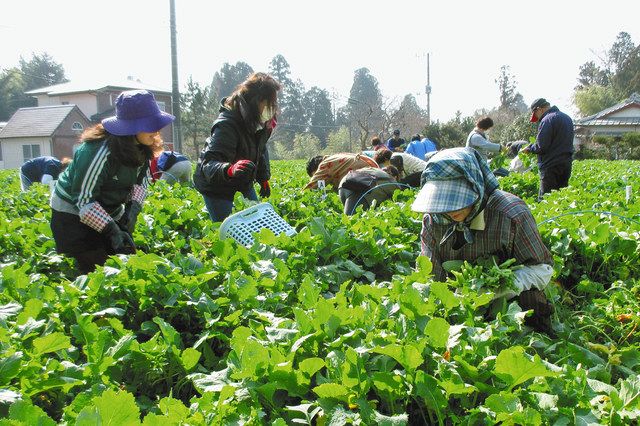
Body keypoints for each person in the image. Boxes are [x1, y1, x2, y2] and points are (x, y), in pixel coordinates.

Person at [412, 147, 555, 333]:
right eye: (443, 201)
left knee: (532, 303)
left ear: (477, 186)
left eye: (459, 199)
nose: (450, 210)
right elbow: (431, 278)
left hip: (507, 303)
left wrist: (499, 288)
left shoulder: (511, 214)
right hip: (459, 303)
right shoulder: (432, 220)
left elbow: (543, 270)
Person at [50, 90, 174, 274]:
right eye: (150, 124)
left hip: (108, 210)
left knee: (122, 261)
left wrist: (131, 212)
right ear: (132, 126)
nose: (156, 130)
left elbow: (141, 183)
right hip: (73, 214)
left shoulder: (142, 146)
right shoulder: (100, 151)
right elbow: (84, 202)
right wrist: (112, 230)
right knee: (95, 269)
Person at [193, 73, 280, 222]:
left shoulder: (259, 124)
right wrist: (229, 169)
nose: (272, 108)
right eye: (268, 103)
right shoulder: (227, 124)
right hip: (217, 187)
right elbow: (209, 164)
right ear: (256, 100)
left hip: (242, 181)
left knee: (256, 221)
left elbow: (259, 152)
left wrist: (263, 178)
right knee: (228, 230)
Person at [521, 98, 574, 200]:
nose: (537, 118)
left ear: (539, 109)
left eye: (535, 114)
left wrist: (530, 148)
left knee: (546, 200)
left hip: (550, 167)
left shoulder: (547, 120)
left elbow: (541, 146)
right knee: (561, 199)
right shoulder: (567, 118)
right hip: (566, 165)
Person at [338, 166, 403, 215]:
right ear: (396, 177)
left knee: (346, 217)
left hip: (344, 183)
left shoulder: (373, 169)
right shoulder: (393, 182)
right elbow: (398, 202)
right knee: (351, 221)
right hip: (359, 190)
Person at [304, 152, 378, 190]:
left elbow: (310, 187)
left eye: (316, 174)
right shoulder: (334, 158)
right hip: (375, 176)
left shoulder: (325, 164)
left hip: (369, 180)